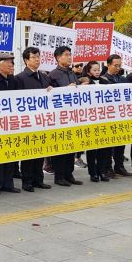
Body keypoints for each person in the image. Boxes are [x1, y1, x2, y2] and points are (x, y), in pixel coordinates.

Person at [15, 47, 53, 192]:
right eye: (34, 57)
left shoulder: (44, 77)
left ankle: (38, 180)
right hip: (27, 121)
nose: (37, 59)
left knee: (40, 152)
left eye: (38, 57)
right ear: (26, 60)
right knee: (28, 154)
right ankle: (27, 182)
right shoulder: (20, 78)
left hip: (42, 120)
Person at [0, 53, 22, 195]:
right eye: (7, 62)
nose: (10, 65)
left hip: (11, 123)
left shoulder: (13, 80)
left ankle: (8, 183)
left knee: (9, 154)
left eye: (12, 62)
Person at [48, 45, 83, 186]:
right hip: (59, 117)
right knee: (60, 148)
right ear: (58, 57)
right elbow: (50, 94)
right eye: (66, 54)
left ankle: (69, 175)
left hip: (72, 116)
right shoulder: (52, 75)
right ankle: (59, 176)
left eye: (70, 54)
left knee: (71, 147)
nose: (69, 57)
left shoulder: (72, 73)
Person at [81, 61, 112, 182]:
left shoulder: (105, 82)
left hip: (103, 119)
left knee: (104, 148)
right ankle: (93, 173)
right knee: (92, 149)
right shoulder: (85, 82)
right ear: (89, 71)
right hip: (91, 120)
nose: (97, 71)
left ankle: (102, 171)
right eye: (94, 70)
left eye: (98, 69)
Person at [102, 54, 131, 177]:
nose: (118, 68)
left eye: (120, 65)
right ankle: (107, 168)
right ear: (108, 65)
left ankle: (119, 166)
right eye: (115, 65)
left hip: (121, 115)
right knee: (108, 145)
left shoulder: (123, 80)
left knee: (121, 143)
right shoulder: (103, 80)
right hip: (108, 117)